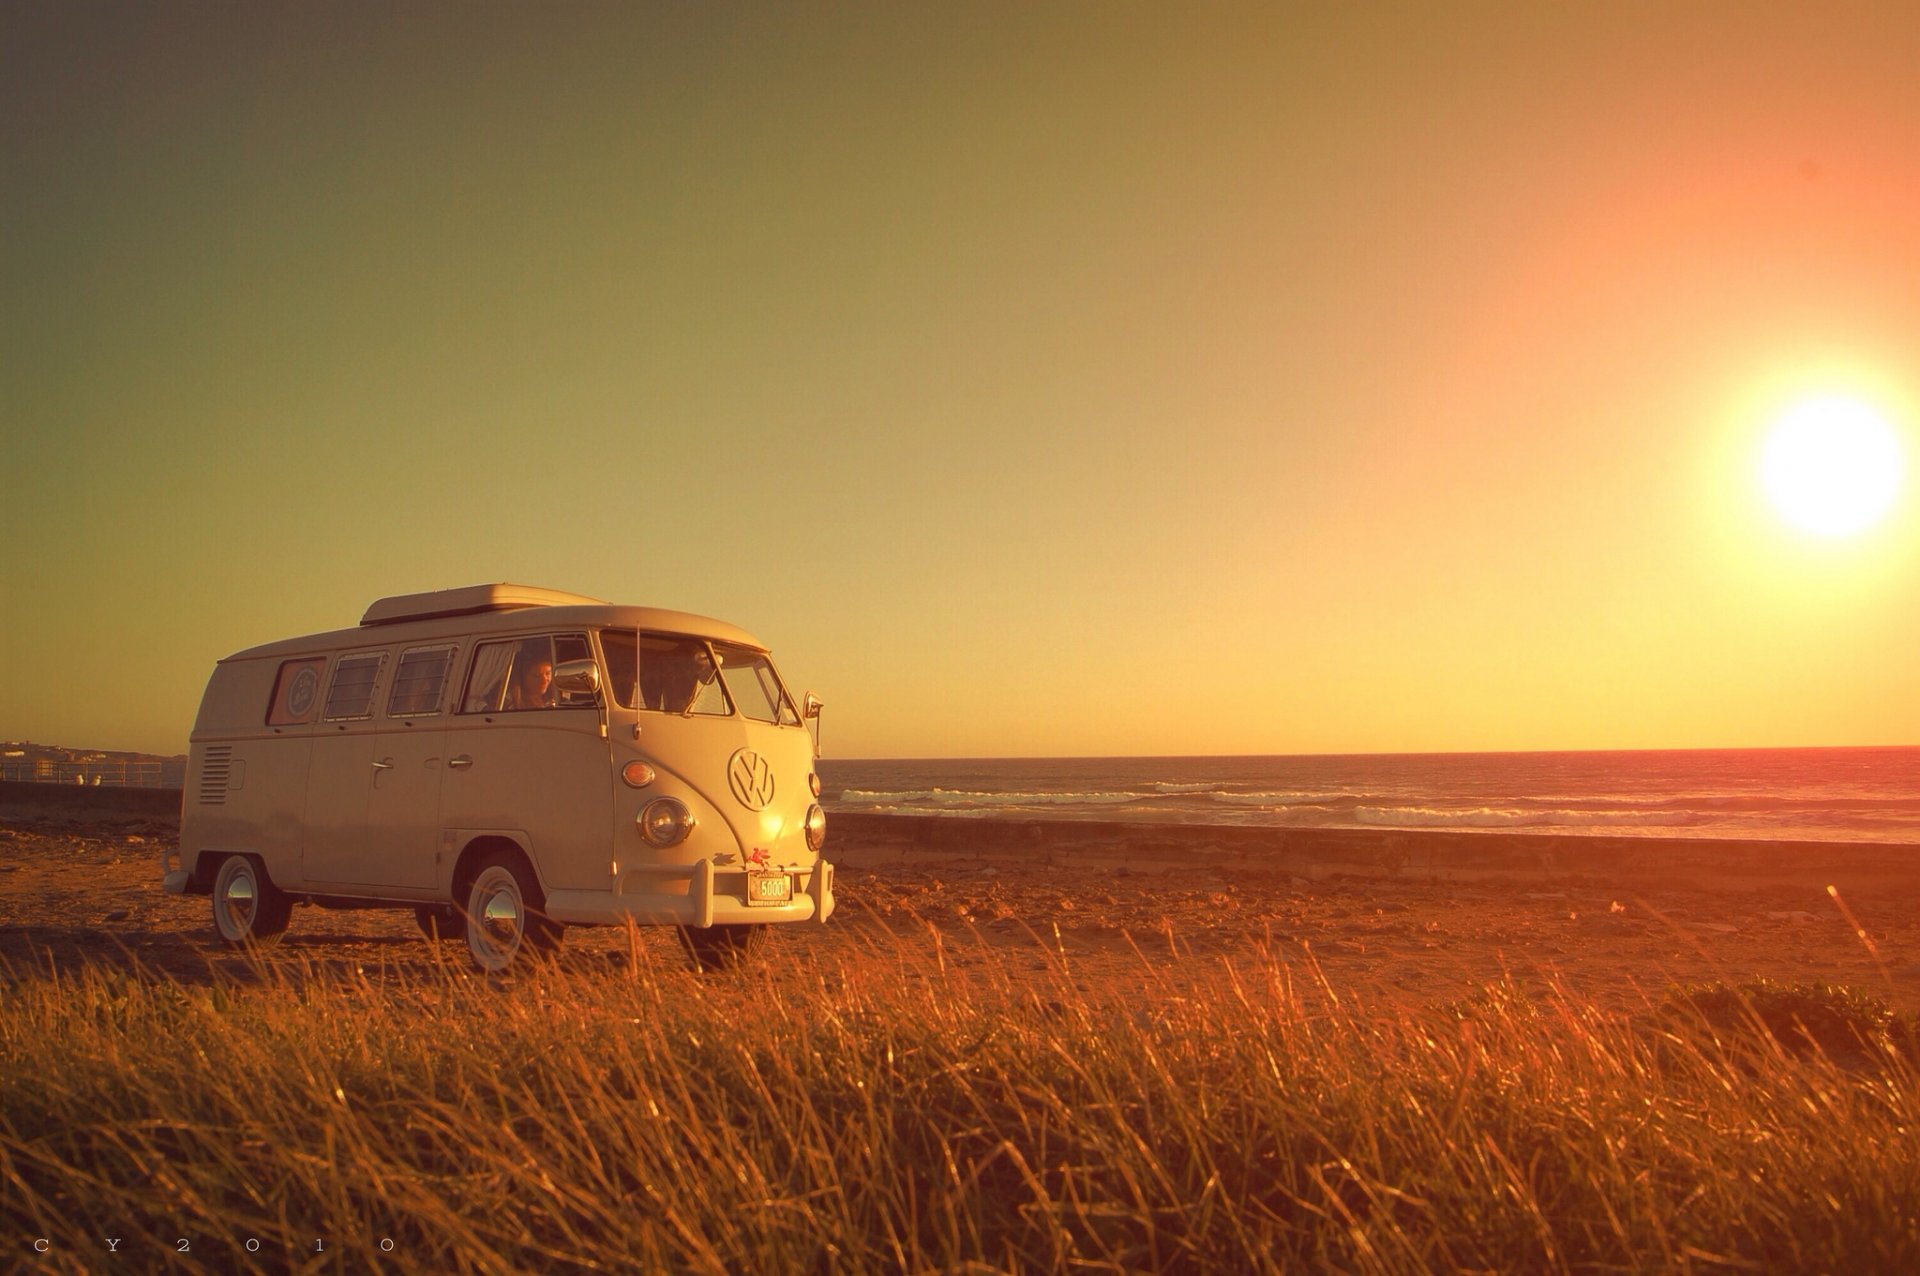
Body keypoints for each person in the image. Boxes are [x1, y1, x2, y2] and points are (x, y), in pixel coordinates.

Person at [505, 644, 555, 710]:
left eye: (548, 673)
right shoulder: (510, 706)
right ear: (523, 678)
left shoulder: (555, 700)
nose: (544, 680)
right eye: (537, 676)